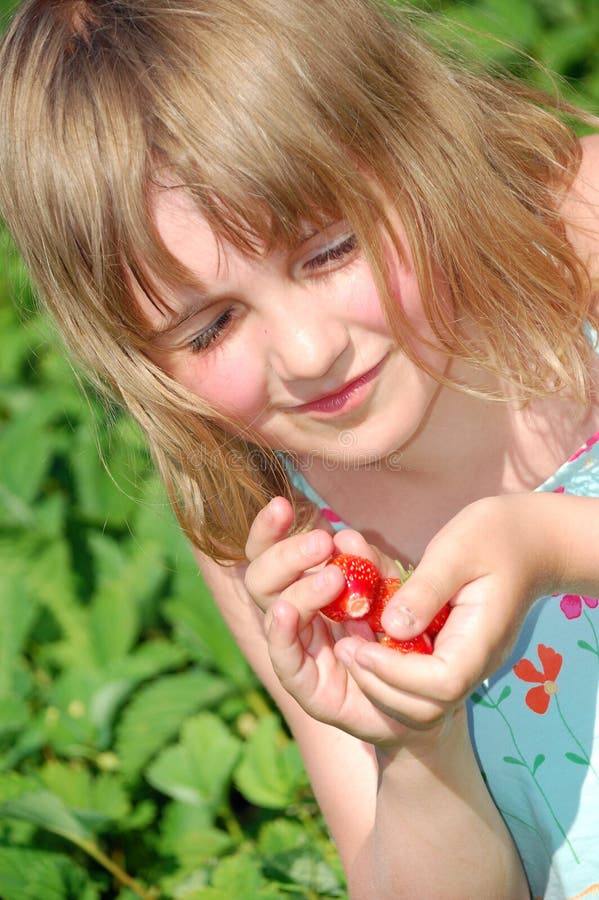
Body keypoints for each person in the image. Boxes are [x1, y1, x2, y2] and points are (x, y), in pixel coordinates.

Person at [1, 0, 598, 896]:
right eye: (209, 329)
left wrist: (555, 546)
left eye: (330, 250)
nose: (310, 353)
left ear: (414, 136)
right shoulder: (266, 518)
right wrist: (411, 742)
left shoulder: (577, 234)